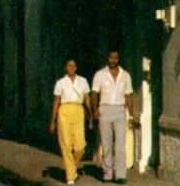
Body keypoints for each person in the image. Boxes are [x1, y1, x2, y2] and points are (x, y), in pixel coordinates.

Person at [91, 50, 134, 184]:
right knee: (106, 143)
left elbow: (129, 96)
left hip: (120, 110)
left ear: (118, 59)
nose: (113, 60)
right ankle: (107, 173)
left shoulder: (125, 75)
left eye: (115, 58)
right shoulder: (100, 75)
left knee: (120, 144)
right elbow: (94, 93)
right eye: (111, 58)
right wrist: (95, 109)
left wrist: (131, 115)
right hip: (105, 109)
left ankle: (120, 174)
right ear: (107, 59)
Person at [49, 57, 93, 185]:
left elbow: (87, 99)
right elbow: (56, 101)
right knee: (66, 144)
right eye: (69, 66)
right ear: (65, 68)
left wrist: (90, 115)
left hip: (78, 110)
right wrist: (52, 121)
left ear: (76, 67)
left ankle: (72, 169)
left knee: (80, 146)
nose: (71, 68)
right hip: (64, 111)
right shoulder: (61, 83)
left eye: (73, 66)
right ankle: (70, 176)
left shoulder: (83, 81)